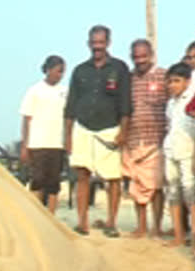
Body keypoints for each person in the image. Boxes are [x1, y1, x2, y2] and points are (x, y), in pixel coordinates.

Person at [65, 25, 132, 237]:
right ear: (88, 44)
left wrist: (123, 131)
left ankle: (111, 222)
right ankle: (82, 222)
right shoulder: (80, 70)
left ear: (108, 43)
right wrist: (67, 136)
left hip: (110, 128)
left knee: (113, 178)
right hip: (83, 127)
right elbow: (70, 105)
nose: (97, 47)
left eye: (101, 43)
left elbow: (125, 103)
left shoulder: (120, 68)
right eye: (94, 43)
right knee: (82, 175)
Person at [122, 39, 168, 238]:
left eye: (143, 56)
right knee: (136, 186)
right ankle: (141, 226)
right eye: (136, 56)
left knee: (156, 186)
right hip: (133, 139)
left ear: (151, 55)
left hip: (156, 139)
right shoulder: (128, 78)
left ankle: (156, 227)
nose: (139, 60)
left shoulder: (163, 76)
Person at [19, 55, 67, 213]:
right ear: (48, 70)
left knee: (53, 183)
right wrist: (25, 145)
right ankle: (37, 214)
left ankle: (52, 216)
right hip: (37, 143)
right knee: (38, 181)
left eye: (62, 72)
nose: (60, 75)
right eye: (58, 71)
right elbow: (26, 119)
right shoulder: (34, 91)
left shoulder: (64, 92)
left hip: (57, 144)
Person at [164, 63, 195, 258]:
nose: (172, 85)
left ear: (187, 81)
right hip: (171, 151)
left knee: (191, 197)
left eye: (176, 81)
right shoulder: (170, 104)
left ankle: (194, 238)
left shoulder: (193, 102)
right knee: (173, 193)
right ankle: (178, 235)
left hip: (188, 153)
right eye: (170, 81)